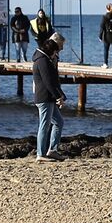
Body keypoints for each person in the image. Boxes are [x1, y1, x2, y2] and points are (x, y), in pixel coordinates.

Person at [32, 33, 67, 162]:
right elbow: (48, 82)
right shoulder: (42, 61)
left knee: (58, 122)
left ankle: (52, 150)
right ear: (51, 50)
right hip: (44, 97)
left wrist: (60, 95)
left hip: (49, 98)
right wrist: (59, 97)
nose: (56, 55)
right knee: (44, 125)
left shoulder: (45, 59)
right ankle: (40, 154)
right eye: (56, 51)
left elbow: (53, 80)